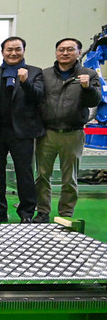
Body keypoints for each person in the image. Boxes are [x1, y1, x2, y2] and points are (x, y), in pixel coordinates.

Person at [34, 38, 100, 222]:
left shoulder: (89, 74)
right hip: (46, 133)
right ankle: (42, 212)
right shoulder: (44, 74)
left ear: (79, 52)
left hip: (73, 133)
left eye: (70, 49)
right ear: (56, 52)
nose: (65, 53)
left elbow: (94, 101)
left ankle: (66, 213)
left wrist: (87, 87)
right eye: (61, 49)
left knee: (69, 177)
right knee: (42, 176)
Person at [0, 37, 45, 223]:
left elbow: (38, 97)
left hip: (22, 133)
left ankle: (26, 213)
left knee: (24, 174)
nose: (13, 53)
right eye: (9, 49)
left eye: (18, 49)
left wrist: (25, 82)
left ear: (24, 51)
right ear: (2, 51)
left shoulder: (35, 72)